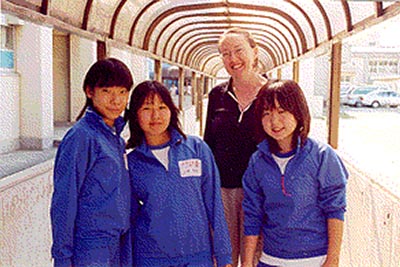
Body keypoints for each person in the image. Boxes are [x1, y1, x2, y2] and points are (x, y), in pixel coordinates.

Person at [241, 79, 348, 267]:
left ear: (298, 112)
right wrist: (248, 262)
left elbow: (335, 209)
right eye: (266, 113)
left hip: (315, 259)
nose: (274, 121)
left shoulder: (322, 156)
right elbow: (252, 213)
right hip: (270, 259)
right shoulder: (257, 161)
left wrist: (333, 259)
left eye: (282, 111)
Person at [125, 80, 232, 267]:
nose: (155, 115)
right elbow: (129, 218)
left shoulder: (196, 148)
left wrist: (224, 256)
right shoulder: (131, 162)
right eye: (146, 108)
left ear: (172, 110)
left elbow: (214, 204)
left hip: (198, 256)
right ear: (135, 115)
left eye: (162, 107)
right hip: (151, 258)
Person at [50, 58, 134, 267]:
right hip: (90, 248)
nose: (116, 100)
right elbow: (64, 200)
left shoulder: (115, 136)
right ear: (90, 91)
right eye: (107, 91)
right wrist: (62, 257)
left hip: (118, 243)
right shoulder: (82, 137)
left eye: (122, 92)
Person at [203, 27, 268, 266]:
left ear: (254, 51)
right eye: (225, 53)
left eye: (239, 50)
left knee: (257, 258)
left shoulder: (271, 94)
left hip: (261, 191)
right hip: (223, 191)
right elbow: (208, 145)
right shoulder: (217, 95)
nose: (233, 59)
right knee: (223, 258)